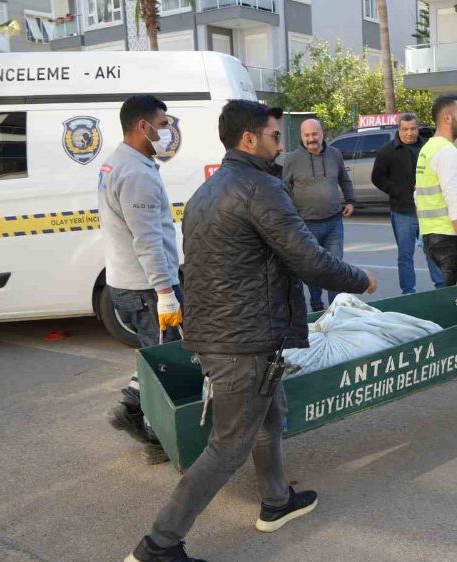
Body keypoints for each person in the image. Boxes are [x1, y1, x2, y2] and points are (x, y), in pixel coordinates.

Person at [125, 100, 377, 562]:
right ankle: (159, 545)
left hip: (224, 333)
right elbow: (308, 259)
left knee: (270, 417)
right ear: (249, 139)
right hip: (243, 340)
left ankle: (277, 501)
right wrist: (360, 280)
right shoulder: (259, 187)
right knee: (227, 447)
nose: (281, 144)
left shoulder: (211, 188)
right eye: (275, 136)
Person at [99, 94, 182, 465]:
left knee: (152, 356)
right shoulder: (135, 174)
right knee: (166, 363)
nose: (167, 132)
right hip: (148, 289)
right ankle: (159, 438)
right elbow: (146, 239)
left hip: (126, 283)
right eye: (163, 125)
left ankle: (131, 407)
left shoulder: (118, 163)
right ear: (142, 126)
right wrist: (165, 292)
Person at [283, 118, 356, 312]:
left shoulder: (335, 154)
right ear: (301, 137)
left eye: (314, 134)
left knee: (335, 268)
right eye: (306, 135)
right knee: (312, 268)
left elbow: (344, 179)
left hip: (334, 223)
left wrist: (350, 201)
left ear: (322, 133)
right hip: (306, 225)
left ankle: (335, 310)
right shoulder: (291, 159)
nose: (311, 138)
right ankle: (316, 305)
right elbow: (282, 188)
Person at [371, 113, 444, 294]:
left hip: (428, 211)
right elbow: (377, 177)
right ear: (399, 129)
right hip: (402, 212)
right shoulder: (387, 151)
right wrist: (397, 191)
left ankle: (441, 287)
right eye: (405, 129)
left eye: (413, 129)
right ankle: (408, 292)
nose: (409, 133)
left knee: (433, 252)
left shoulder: (427, 147)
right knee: (405, 256)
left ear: (417, 128)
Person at [415, 94, 457, 287]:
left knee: (446, 299)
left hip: (432, 238)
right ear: (447, 118)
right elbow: (453, 201)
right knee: (456, 303)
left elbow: (418, 194)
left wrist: (423, 231)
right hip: (451, 240)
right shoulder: (447, 152)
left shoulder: (427, 149)